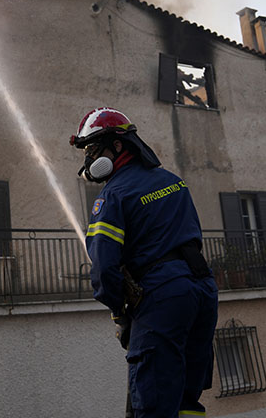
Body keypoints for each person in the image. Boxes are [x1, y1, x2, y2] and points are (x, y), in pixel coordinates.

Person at [70, 107, 219, 418]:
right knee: (186, 401)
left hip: (162, 296)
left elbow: (104, 267)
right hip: (202, 289)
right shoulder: (172, 180)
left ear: (119, 146)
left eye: (94, 149)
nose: (89, 158)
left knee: (153, 402)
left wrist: (119, 312)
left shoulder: (113, 195)